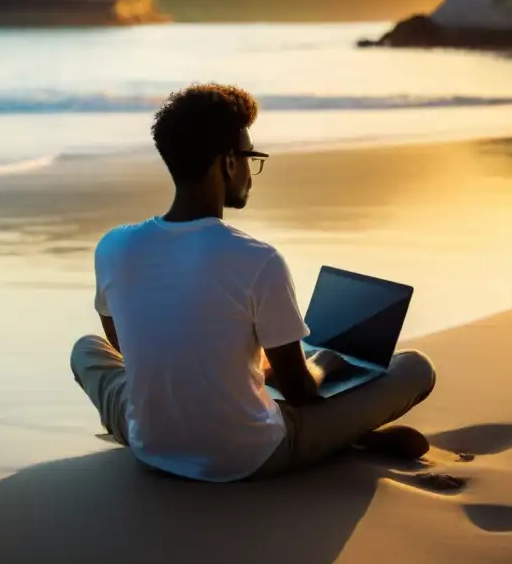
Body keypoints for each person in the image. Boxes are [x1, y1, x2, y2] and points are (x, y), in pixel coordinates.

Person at [70, 83, 436, 482]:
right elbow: (301, 392)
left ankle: (329, 430)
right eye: (251, 158)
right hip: (247, 458)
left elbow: (129, 351)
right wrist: (322, 363)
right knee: (416, 368)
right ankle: (343, 437)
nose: (251, 172)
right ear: (228, 163)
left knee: (87, 349)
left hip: (150, 444)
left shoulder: (113, 246)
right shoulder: (257, 259)